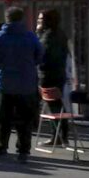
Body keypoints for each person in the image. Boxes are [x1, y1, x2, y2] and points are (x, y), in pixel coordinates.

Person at [0, 6, 42, 163]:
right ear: (22, 19)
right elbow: (39, 56)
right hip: (26, 84)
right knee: (24, 120)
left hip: (5, 83)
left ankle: (1, 148)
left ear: (6, 18)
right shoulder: (31, 37)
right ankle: (23, 150)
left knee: (4, 118)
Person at [37, 9, 70, 146]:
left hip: (49, 75)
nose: (38, 22)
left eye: (41, 20)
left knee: (54, 106)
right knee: (56, 105)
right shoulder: (60, 34)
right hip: (57, 74)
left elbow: (43, 55)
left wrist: (38, 34)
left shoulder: (49, 36)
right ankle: (61, 135)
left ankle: (57, 135)